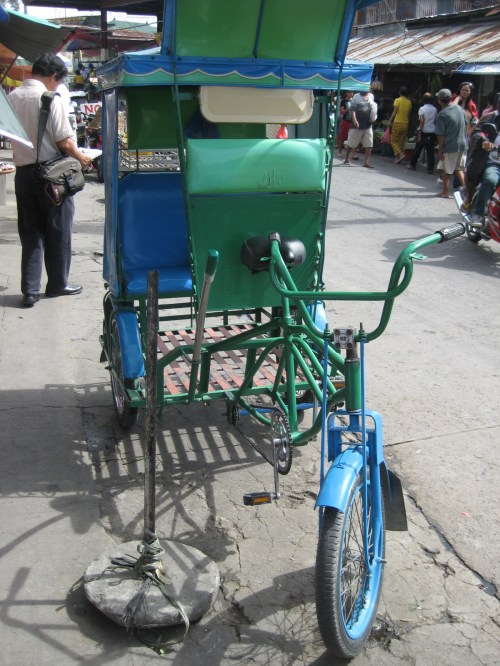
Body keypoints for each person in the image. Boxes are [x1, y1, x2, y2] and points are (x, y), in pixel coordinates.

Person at [8, 53, 92, 307]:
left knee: (30, 231)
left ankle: (30, 290)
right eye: (59, 81)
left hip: (23, 174)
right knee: (58, 229)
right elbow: (64, 141)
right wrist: (82, 157)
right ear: (54, 76)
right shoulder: (49, 98)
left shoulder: (12, 97)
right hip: (52, 177)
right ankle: (57, 284)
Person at [469, 92, 500, 228]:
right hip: (494, 163)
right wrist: (484, 141)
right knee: (490, 180)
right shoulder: (491, 118)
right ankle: (478, 213)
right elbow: (477, 132)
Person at [434, 88, 467, 199]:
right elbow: (466, 123)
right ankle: (468, 191)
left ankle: (445, 192)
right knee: (458, 168)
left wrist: (440, 150)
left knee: (446, 169)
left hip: (450, 145)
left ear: (439, 100)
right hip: (462, 143)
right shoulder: (458, 109)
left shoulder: (442, 114)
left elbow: (441, 135)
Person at [343, 90, 378, 168]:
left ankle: (366, 162)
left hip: (368, 125)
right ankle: (347, 158)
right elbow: (352, 110)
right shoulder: (356, 96)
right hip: (357, 125)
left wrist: (373, 118)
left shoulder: (371, 96)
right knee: (351, 143)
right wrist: (355, 120)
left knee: (369, 144)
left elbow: (373, 109)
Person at [408, 92, 437, 174]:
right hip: (432, 130)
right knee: (430, 151)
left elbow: (422, 121)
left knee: (418, 149)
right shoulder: (434, 109)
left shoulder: (422, 109)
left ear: (423, 99)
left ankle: (412, 164)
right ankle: (430, 168)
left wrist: (420, 133)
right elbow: (435, 120)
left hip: (423, 130)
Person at [387, 86, 412, 164]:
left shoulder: (397, 100)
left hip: (397, 122)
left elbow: (395, 111)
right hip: (405, 123)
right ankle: (398, 158)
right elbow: (408, 114)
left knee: (393, 140)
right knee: (401, 141)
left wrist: (390, 121)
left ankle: (400, 154)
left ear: (399, 92)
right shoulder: (409, 102)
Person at [337, 91, 353, 157]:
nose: (351, 93)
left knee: (353, 137)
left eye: (352, 92)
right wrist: (347, 109)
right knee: (343, 137)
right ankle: (339, 151)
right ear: (346, 93)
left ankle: (352, 153)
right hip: (345, 120)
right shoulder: (343, 101)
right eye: (350, 92)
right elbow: (342, 112)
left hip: (352, 121)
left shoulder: (354, 101)